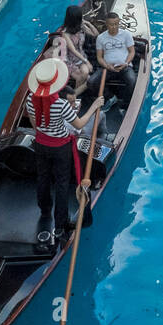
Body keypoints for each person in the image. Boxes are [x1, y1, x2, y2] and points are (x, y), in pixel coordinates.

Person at [25, 57, 104, 247]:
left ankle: (44, 210)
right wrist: (94, 106)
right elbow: (78, 123)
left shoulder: (29, 98)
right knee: (61, 182)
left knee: (43, 177)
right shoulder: (60, 105)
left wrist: (45, 133)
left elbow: (35, 125)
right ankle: (60, 223)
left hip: (41, 145)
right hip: (60, 148)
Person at [58, 4, 100, 94]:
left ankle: (74, 95)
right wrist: (87, 62)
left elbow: (96, 34)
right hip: (69, 60)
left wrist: (88, 23)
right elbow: (73, 50)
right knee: (85, 77)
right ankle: (74, 97)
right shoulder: (65, 33)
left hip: (80, 57)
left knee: (86, 73)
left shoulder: (80, 27)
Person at [96, 10, 136, 102]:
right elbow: (99, 57)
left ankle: (125, 104)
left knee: (132, 81)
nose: (114, 27)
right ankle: (111, 98)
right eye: (111, 24)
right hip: (107, 68)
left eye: (116, 24)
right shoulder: (100, 37)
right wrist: (107, 66)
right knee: (92, 82)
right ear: (106, 24)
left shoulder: (126, 34)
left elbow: (132, 52)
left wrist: (126, 63)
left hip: (125, 67)